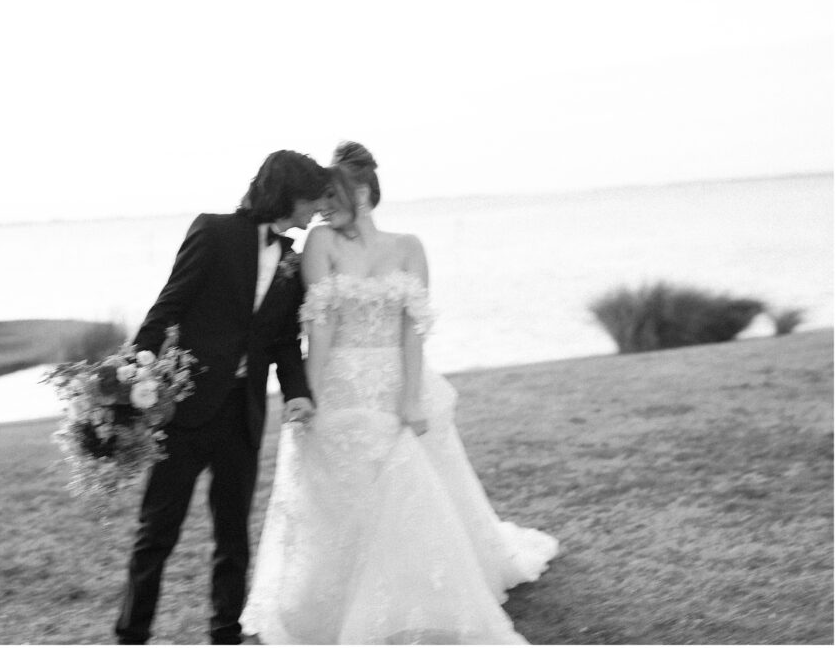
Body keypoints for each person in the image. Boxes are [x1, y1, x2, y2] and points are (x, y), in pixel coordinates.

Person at [240, 142, 559, 644]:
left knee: (416, 489)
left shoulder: (409, 246)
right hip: (340, 379)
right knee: (339, 487)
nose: (322, 206)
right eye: (319, 198)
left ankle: (425, 592)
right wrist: (310, 395)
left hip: (398, 378)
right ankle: (339, 603)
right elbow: (319, 325)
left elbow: (415, 329)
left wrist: (411, 397)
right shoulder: (320, 243)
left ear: (363, 190)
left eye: (332, 194)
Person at [114, 150, 331, 645]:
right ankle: (131, 634)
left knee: (233, 539)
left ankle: (225, 635)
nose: (316, 208)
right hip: (184, 410)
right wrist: (127, 381)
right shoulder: (212, 231)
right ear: (289, 194)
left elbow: (281, 341)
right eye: (312, 197)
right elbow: (170, 305)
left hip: (243, 415)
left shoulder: (294, 261)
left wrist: (297, 393)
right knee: (157, 534)